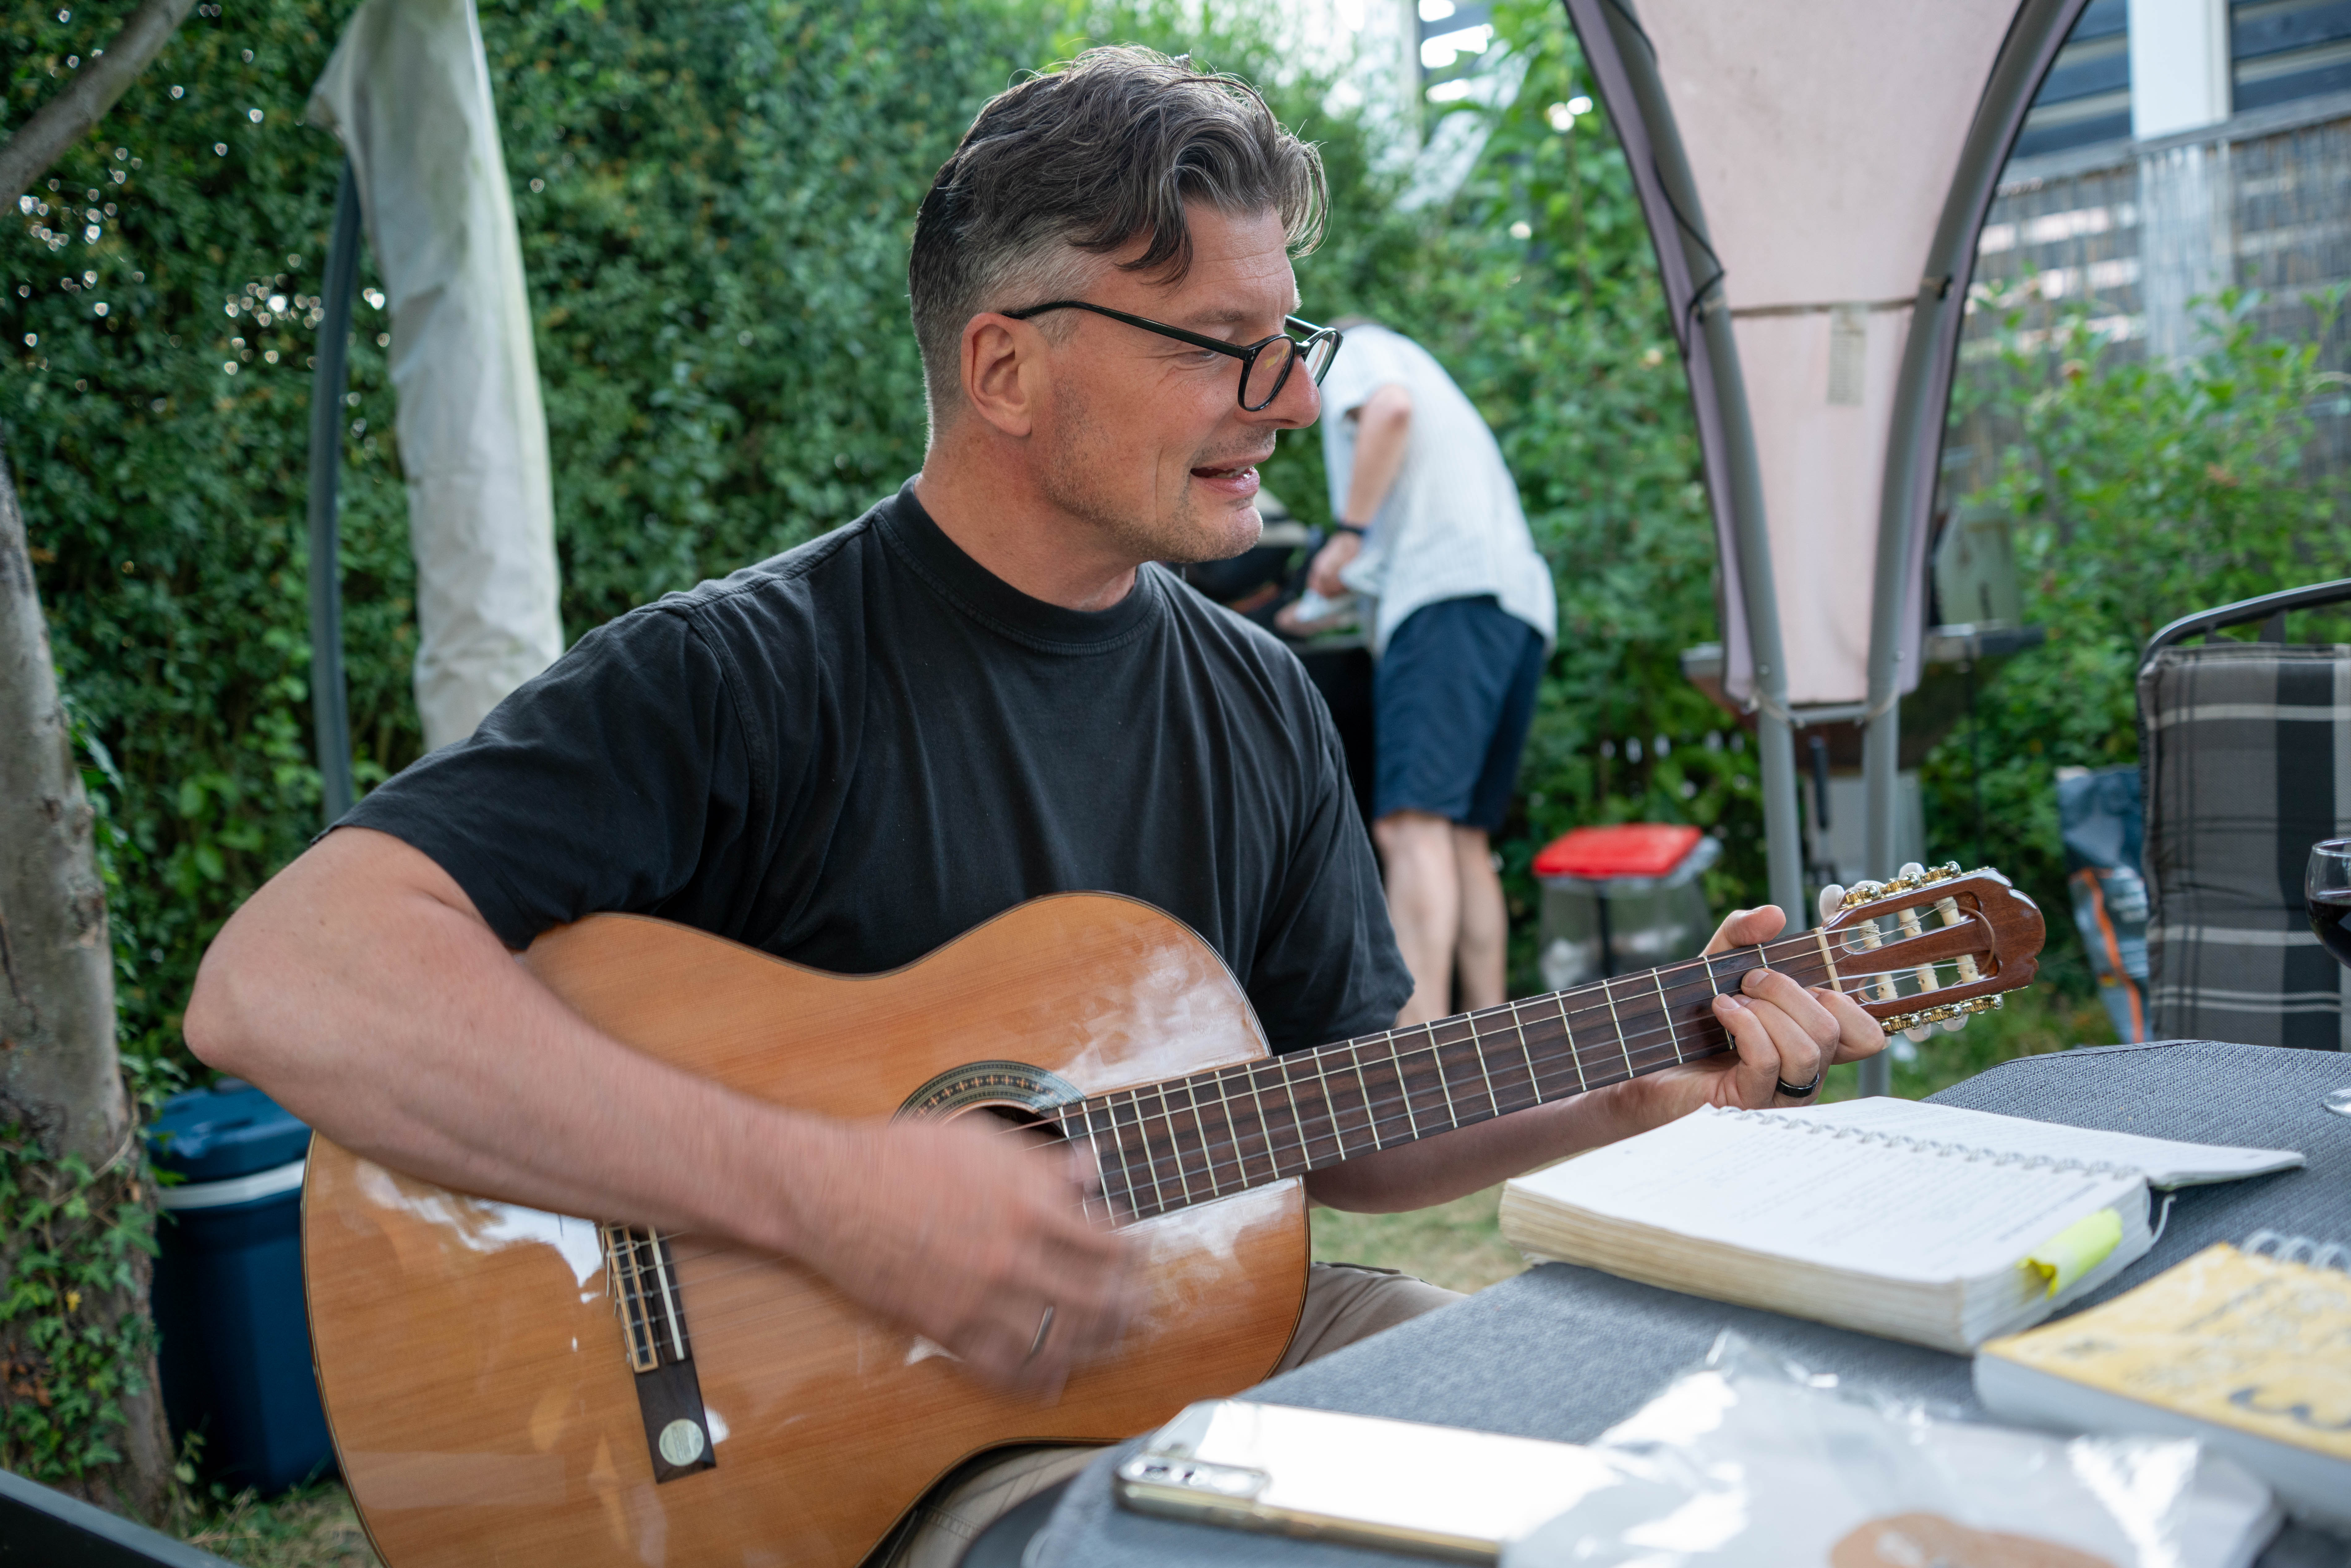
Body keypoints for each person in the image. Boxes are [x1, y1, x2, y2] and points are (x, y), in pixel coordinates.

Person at [183, 46, 1885, 1564]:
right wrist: (827, 1193)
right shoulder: (740, 674)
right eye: (1225, 349)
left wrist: (1623, 1077)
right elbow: (285, 981)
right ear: (1005, 371)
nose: (1290, 403)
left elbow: (1344, 1126)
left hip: (1216, 1340)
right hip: (853, 1473)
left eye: (1289, 341)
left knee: (1636, 1443)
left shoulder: (1262, 703)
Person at [1304, 324, 1558, 1027]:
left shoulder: (1356, 345)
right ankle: (1490, 1047)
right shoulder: (1433, 376)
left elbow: (1390, 409)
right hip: (1515, 604)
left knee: (1409, 829)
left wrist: (1348, 532)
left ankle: (1425, 1059)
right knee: (1462, 837)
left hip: (1446, 597)